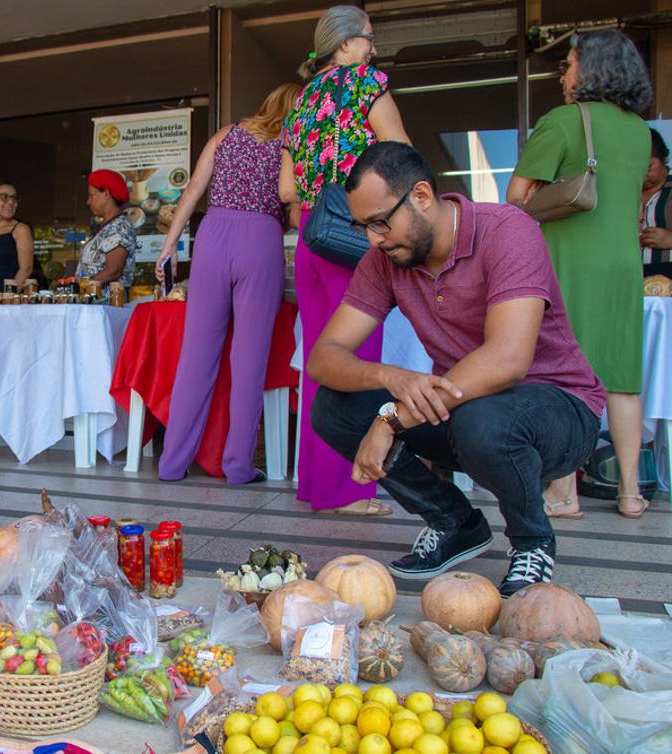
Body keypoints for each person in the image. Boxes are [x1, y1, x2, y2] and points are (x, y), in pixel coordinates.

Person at [307, 141, 606, 594]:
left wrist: (391, 418)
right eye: (363, 227)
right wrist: (391, 378)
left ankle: (532, 542)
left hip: (559, 409)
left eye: (381, 222)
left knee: (483, 419)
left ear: (422, 196)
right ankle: (454, 522)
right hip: (463, 409)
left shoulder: (507, 230)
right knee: (335, 407)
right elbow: (324, 356)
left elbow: (507, 361)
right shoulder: (386, 259)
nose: (373, 240)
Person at [508, 30, 652, 519]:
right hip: (623, 266)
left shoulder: (565, 121)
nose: (563, 74)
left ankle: (563, 492)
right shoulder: (639, 131)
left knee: (567, 377)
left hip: (571, 260)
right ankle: (630, 492)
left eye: (568, 64)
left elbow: (517, 194)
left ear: (591, 69)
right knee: (622, 379)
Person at [279, 4, 410, 515]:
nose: (374, 48)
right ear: (346, 43)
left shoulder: (301, 101)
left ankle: (316, 483)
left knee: (321, 359)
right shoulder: (364, 83)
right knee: (358, 361)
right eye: (369, 39)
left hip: (314, 235)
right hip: (353, 232)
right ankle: (352, 490)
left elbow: (287, 187)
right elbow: (399, 151)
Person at [155, 82, 302, 484]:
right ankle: (238, 466)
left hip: (212, 235)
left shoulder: (228, 133)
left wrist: (169, 247)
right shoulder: (292, 141)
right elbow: (290, 201)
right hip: (260, 240)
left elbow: (193, 191)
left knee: (196, 357)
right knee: (249, 360)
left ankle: (172, 463)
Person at [77, 169, 136, 288]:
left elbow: (114, 270)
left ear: (106, 193)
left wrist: (81, 287)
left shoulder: (119, 227)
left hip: (107, 303)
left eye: (91, 195)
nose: (88, 201)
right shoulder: (107, 226)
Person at [641, 128, 671, 278]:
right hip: (630, 273)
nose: (642, 174)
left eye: (648, 166)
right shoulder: (625, 192)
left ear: (663, 158)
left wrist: (669, 239)